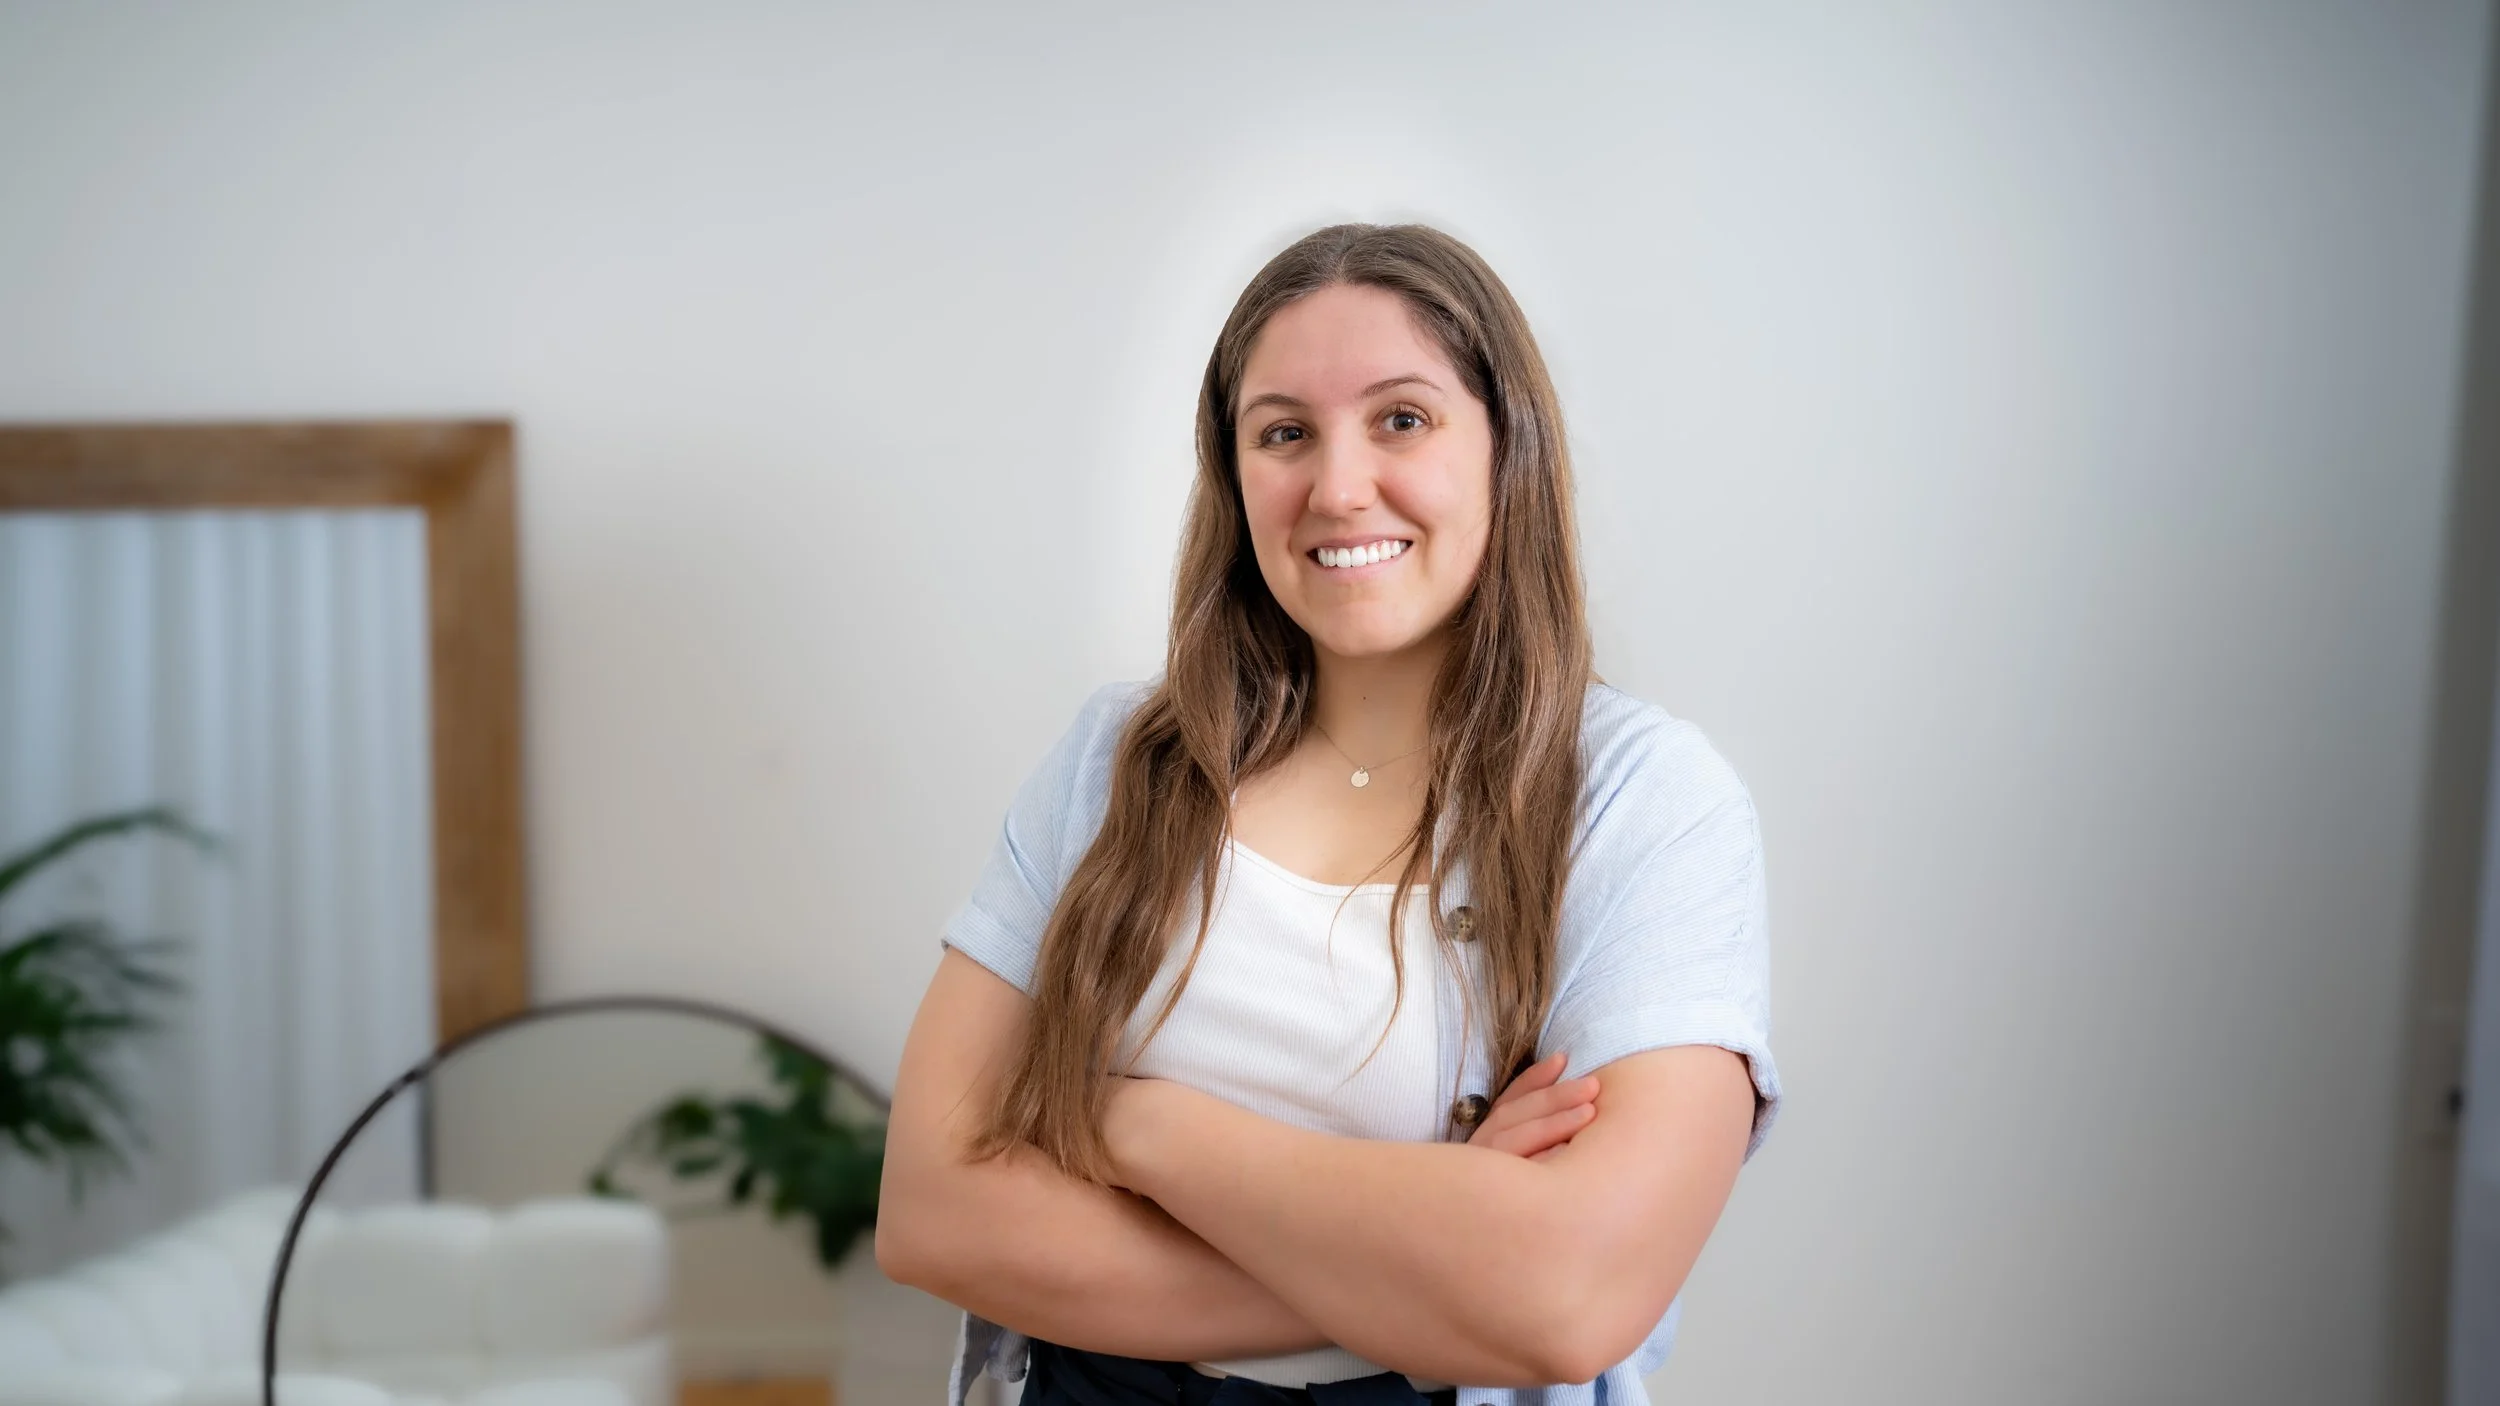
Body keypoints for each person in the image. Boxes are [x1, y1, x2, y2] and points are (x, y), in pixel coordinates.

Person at [877, 222, 1781, 1406]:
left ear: (1506, 447)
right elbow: (931, 1213)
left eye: (1401, 418)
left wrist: (1135, 1126)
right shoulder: (1115, 760)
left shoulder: (1644, 801)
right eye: (1283, 432)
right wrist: (1432, 1246)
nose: (1338, 485)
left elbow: (1568, 1299)